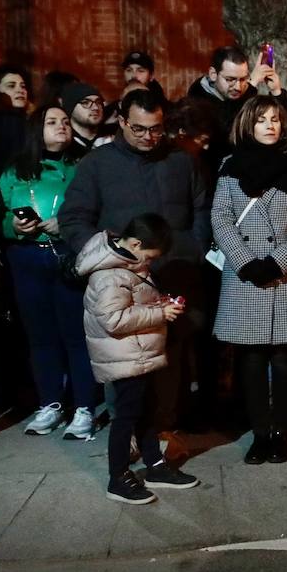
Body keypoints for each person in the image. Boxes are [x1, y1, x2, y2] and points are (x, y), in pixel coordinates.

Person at [59, 88, 211, 436]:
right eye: (139, 129)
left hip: (174, 275)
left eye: (156, 128)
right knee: (125, 365)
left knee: (170, 363)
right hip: (122, 285)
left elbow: (202, 207)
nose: (148, 136)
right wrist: (106, 257)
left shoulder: (181, 160)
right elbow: (74, 217)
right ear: (123, 122)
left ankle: (163, 435)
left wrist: (195, 246)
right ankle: (125, 439)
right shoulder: (98, 164)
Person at [210, 95, 287, 465]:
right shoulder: (229, 166)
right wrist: (245, 262)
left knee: (286, 358)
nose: (270, 125)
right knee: (251, 358)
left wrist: (279, 261)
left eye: (275, 119)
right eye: (262, 120)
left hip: (286, 275)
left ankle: (281, 432)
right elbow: (221, 218)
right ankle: (260, 433)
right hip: (245, 276)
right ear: (248, 124)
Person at [75, 213, 199, 504]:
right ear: (135, 243)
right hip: (124, 357)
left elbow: (135, 302)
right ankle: (117, 477)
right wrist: (159, 313)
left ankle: (154, 465)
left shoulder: (128, 263)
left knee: (146, 411)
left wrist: (159, 302)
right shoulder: (109, 274)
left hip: (138, 353)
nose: (151, 262)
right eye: (150, 255)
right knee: (126, 418)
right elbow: (114, 319)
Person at [0, 106, 96, 438]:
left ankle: (83, 407)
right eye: (51, 122)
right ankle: (50, 404)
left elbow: (95, 210)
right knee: (40, 337)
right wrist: (12, 225)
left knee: (75, 335)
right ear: (35, 130)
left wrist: (67, 225)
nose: (61, 127)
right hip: (26, 258)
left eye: (65, 122)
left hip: (67, 257)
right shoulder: (15, 171)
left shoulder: (83, 167)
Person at [62, 82, 110, 151]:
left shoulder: (114, 139)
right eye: (85, 103)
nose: (95, 107)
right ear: (70, 108)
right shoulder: (63, 143)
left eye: (98, 102)